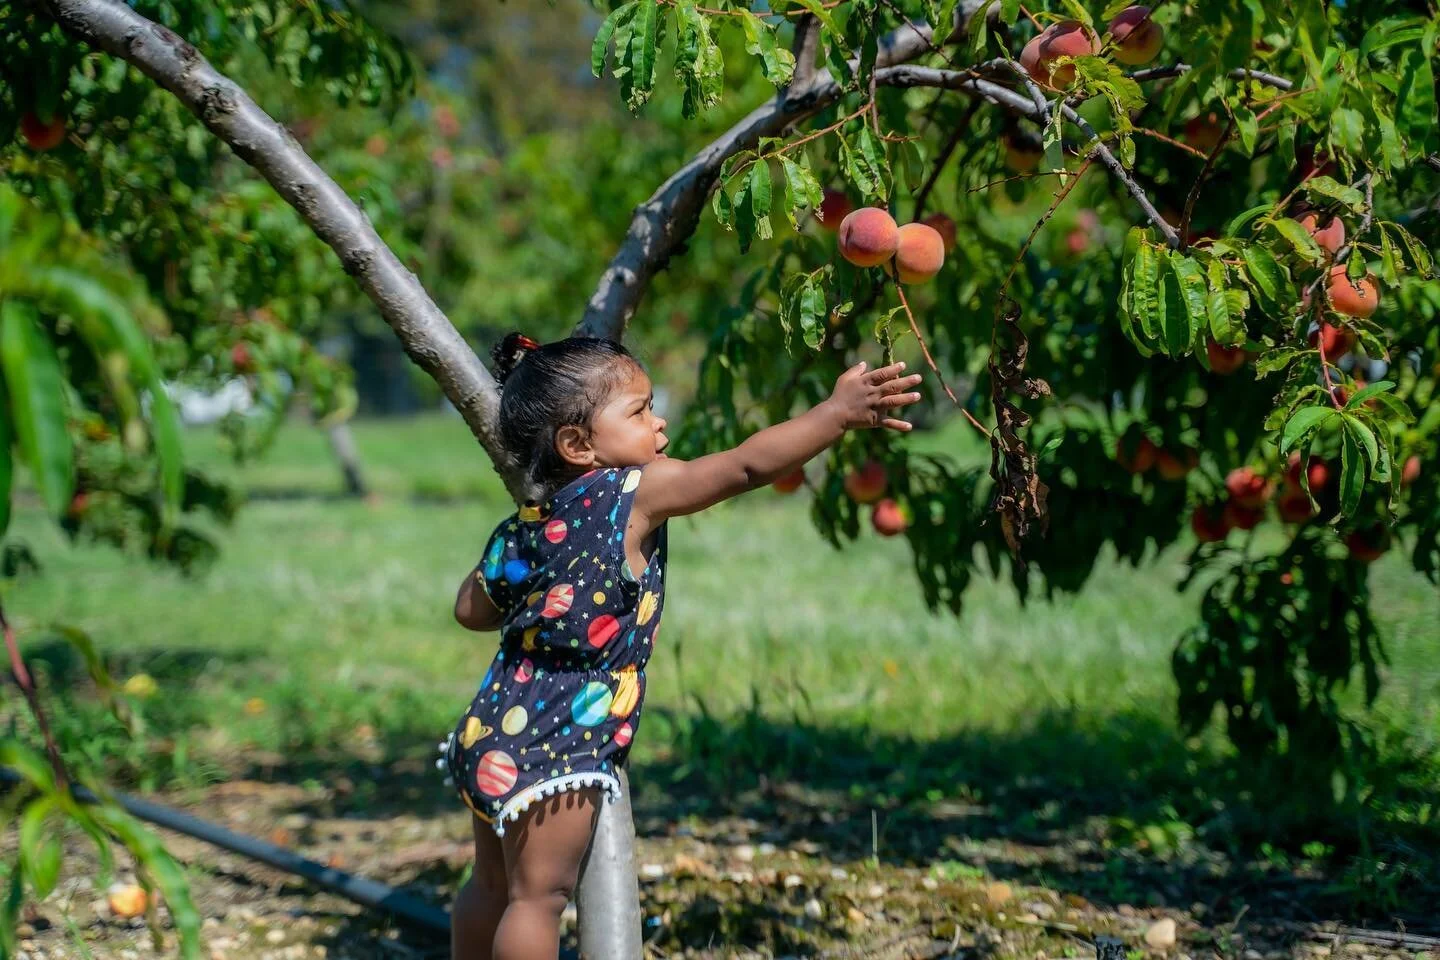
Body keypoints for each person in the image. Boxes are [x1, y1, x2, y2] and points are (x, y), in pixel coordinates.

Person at [440, 333, 922, 959]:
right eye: (639, 411)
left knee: (492, 886)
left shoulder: (528, 525)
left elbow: (468, 609)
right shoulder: (634, 493)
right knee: (539, 899)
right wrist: (835, 415)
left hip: (492, 722)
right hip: (558, 740)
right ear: (578, 445)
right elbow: (743, 467)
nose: (657, 419)